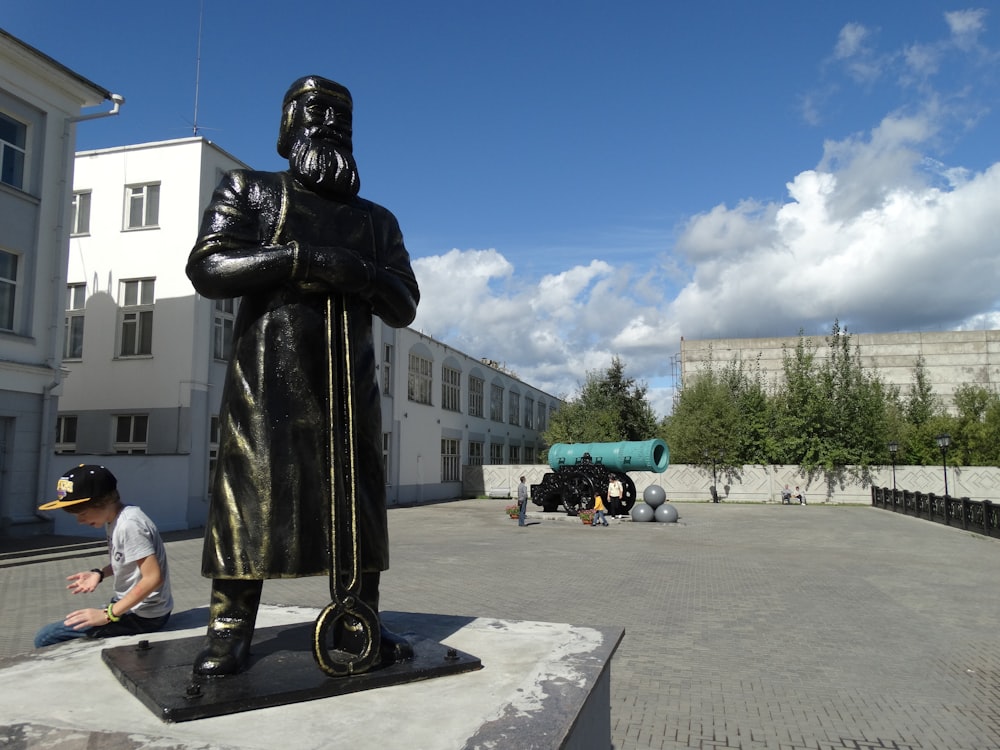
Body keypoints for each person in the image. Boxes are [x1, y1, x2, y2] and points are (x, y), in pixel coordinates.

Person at [185, 75, 420, 676]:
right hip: (267, 384)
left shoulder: (376, 221)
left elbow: (404, 301)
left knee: (357, 499)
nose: (330, 120)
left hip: (350, 387)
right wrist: (300, 259)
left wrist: (359, 273)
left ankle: (358, 618)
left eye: (342, 112)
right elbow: (209, 266)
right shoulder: (250, 190)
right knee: (252, 495)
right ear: (289, 121)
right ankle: (229, 631)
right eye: (315, 108)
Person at [34, 465, 173, 648]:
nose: (80, 521)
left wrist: (108, 615)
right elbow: (126, 560)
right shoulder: (117, 518)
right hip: (134, 609)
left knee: (45, 637)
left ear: (103, 502)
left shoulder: (129, 525)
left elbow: (153, 577)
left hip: (144, 617)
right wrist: (99, 573)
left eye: (83, 513)